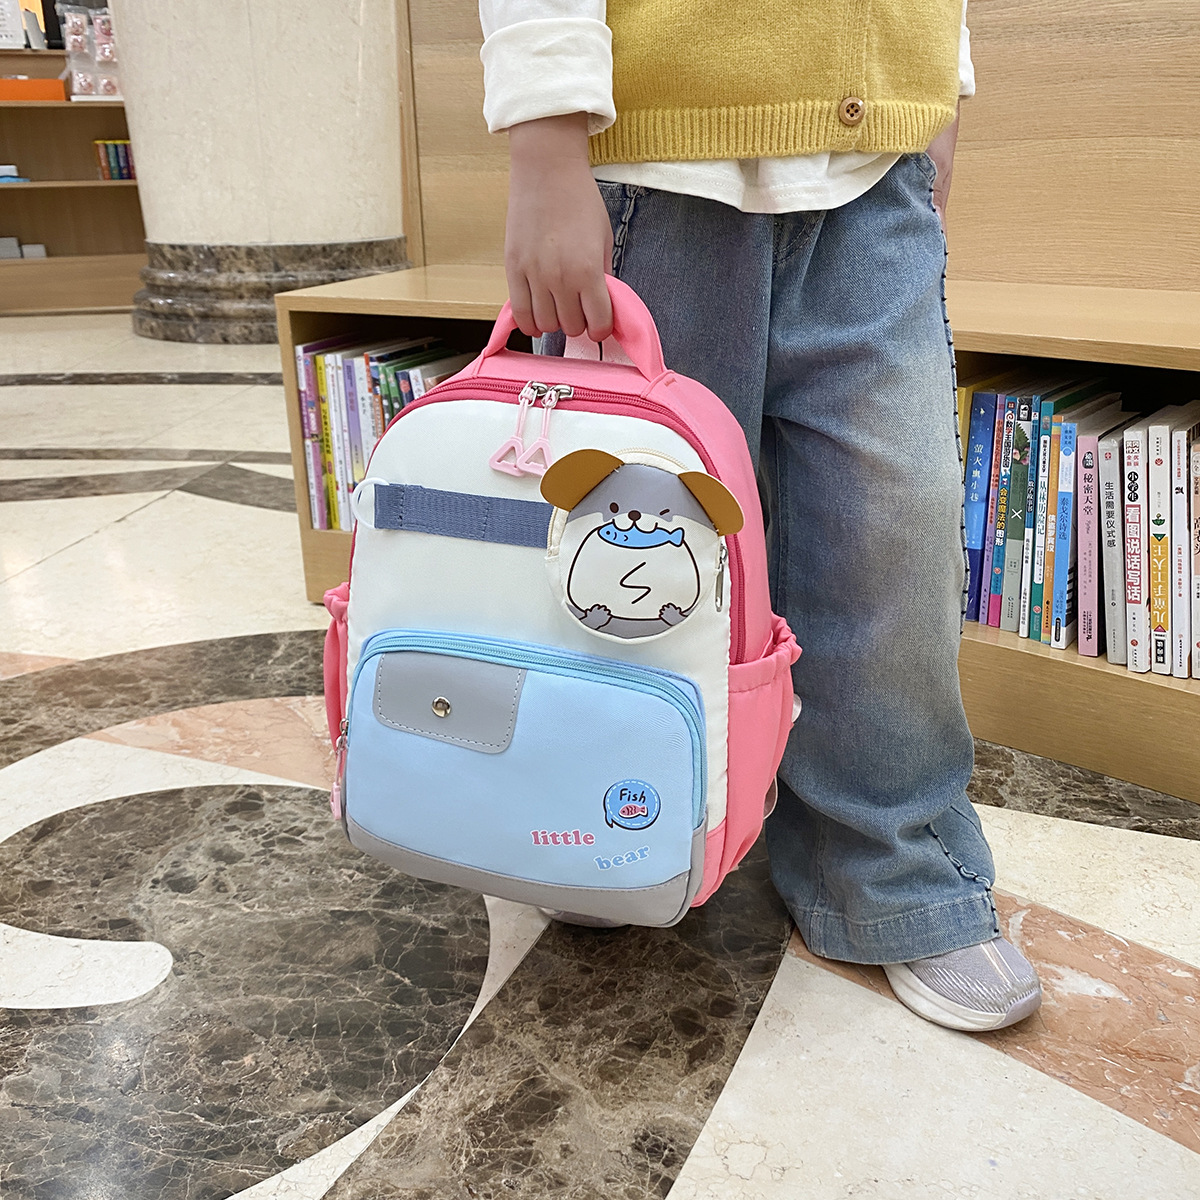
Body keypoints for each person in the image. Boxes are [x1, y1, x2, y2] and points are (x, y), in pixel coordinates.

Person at [479, 0, 1042, 1031]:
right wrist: (545, 138)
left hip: (878, 177)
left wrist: (941, 92)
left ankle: (892, 867)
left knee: (894, 532)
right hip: (653, 183)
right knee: (637, 550)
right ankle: (610, 819)